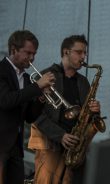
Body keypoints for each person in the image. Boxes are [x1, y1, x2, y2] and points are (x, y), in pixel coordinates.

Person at [28, 35, 102, 184]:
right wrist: (61, 135)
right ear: (66, 52)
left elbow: (87, 115)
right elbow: (35, 115)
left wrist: (95, 111)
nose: (83, 56)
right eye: (79, 52)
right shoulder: (45, 76)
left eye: (85, 53)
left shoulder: (83, 81)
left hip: (75, 148)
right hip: (50, 146)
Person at [0, 30, 55, 184]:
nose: (32, 58)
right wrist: (37, 86)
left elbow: (30, 117)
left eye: (34, 54)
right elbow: (6, 101)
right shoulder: (1, 70)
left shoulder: (26, 78)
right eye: (28, 53)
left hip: (15, 148)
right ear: (13, 50)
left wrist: (41, 98)